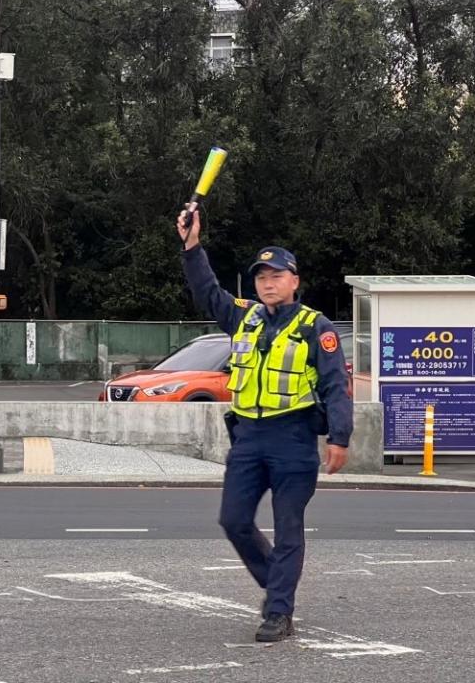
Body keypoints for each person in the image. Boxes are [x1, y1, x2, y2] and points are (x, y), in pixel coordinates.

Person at [176, 209, 352, 643]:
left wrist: (340, 437)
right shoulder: (245, 317)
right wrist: (192, 245)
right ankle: (279, 582)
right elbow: (208, 293)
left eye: (276, 275)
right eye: (261, 277)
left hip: (293, 438)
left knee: (288, 526)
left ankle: (278, 613)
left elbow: (335, 386)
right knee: (233, 520)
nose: (267, 283)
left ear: (294, 280)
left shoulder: (316, 327)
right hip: (249, 439)